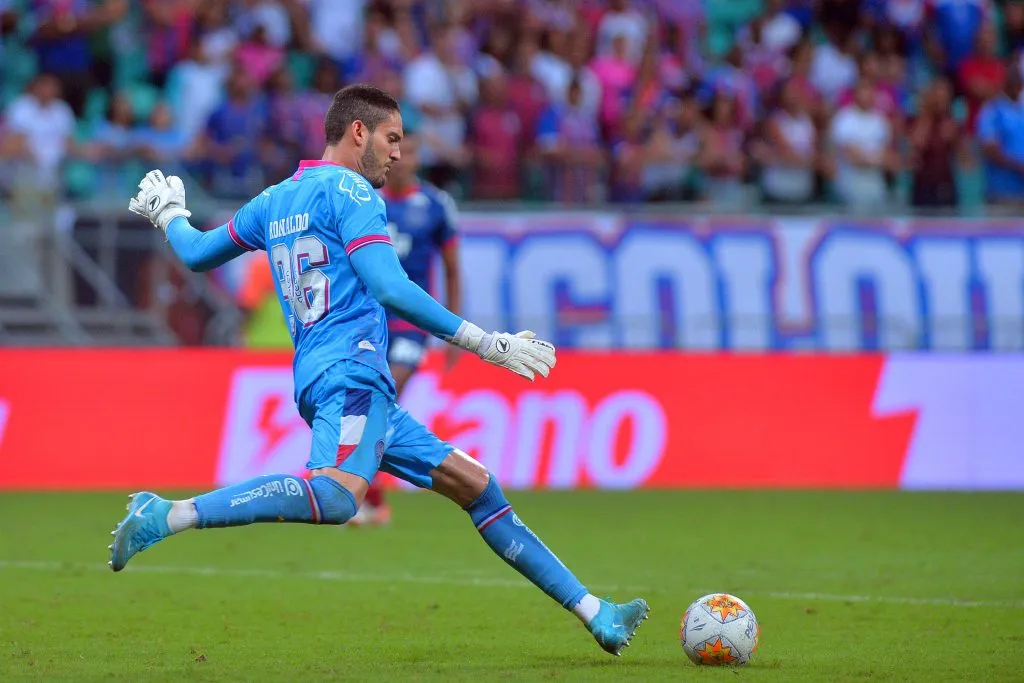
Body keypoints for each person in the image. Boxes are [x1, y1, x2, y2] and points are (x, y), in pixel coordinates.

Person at [109, 84, 648, 656]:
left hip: (346, 380)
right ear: (357, 132)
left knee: (478, 488)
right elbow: (389, 286)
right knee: (339, 498)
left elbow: (196, 253)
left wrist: (169, 214)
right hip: (350, 372)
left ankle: (598, 614)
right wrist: (484, 342)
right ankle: (171, 514)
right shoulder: (352, 190)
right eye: (392, 139)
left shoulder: (275, 198)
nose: (397, 153)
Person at [354, 131, 464, 526]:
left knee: (388, 389)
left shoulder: (435, 206)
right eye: (402, 151)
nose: (405, 159)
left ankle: (368, 491)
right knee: (365, 400)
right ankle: (369, 494)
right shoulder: (365, 199)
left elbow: (452, 269)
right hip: (368, 321)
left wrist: (453, 330)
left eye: (415, 152)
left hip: (411, 325)